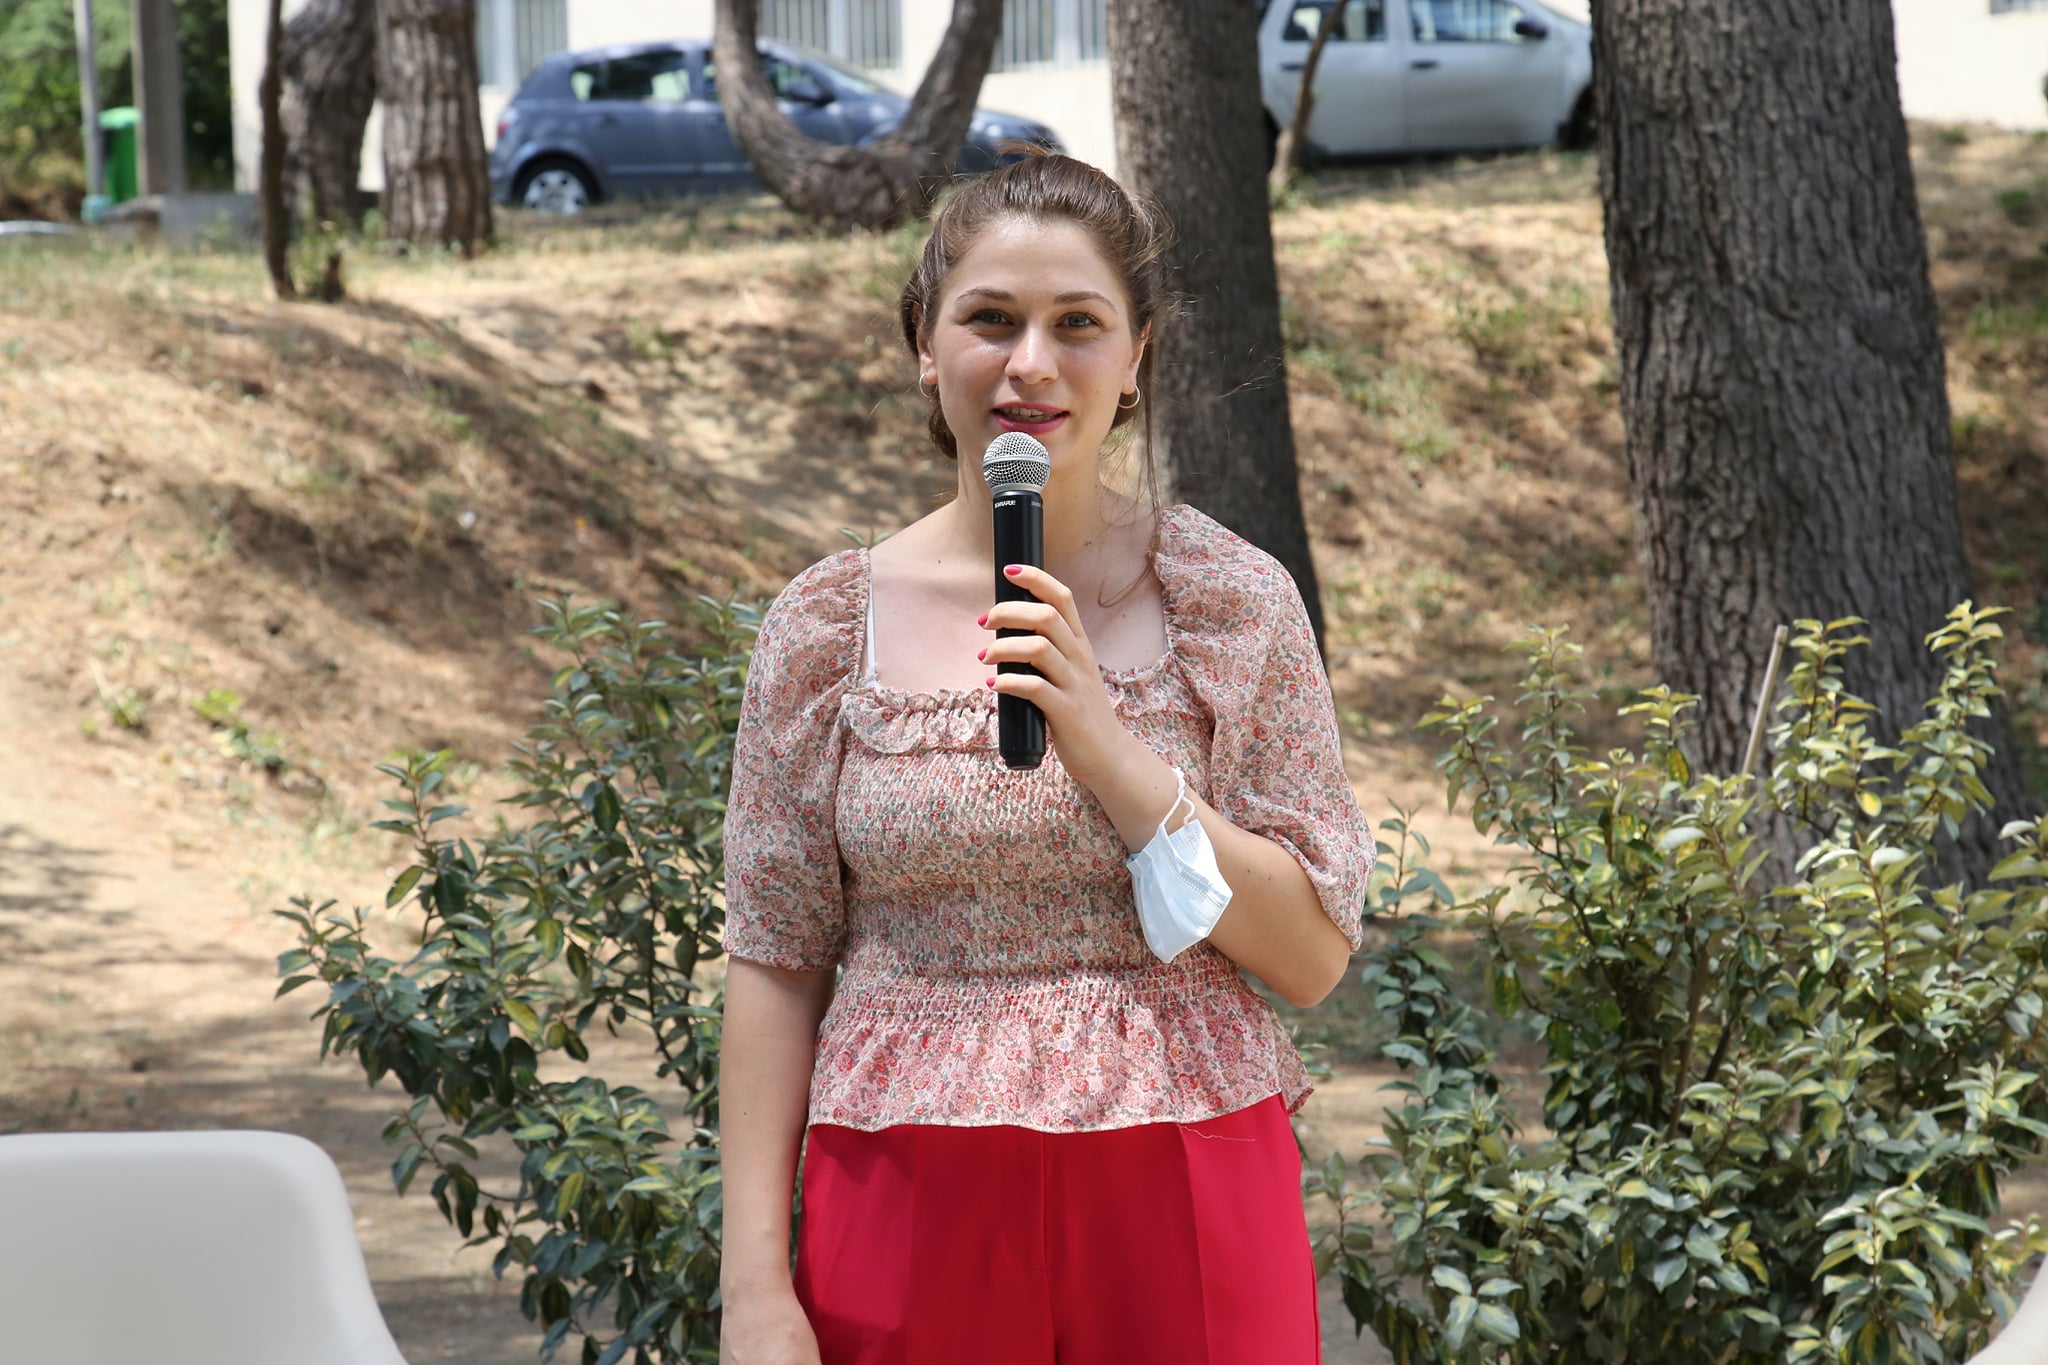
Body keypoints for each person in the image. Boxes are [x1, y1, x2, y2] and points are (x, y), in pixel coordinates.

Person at [717, 149, 1375, 1365]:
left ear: (1134, 358)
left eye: (1077, 323)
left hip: (1181, 1187)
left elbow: (1310, 957)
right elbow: (775, 960)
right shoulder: (824, 627)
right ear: (925, 345)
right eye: (990, 320)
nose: (1030, 363)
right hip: (905, 1198)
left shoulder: (1228, 601)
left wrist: (1111, 754)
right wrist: (752, 1290)